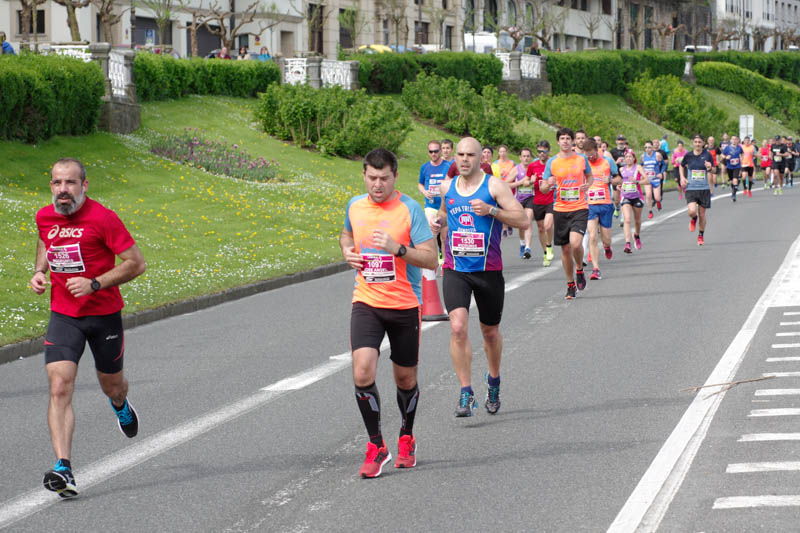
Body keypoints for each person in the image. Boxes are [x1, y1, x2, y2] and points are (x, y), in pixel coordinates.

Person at [31, 158, 146, 498]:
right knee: (59, 385)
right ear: (51, 186)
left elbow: (136, 263)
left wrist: (95, 284)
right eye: (57, 183)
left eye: (70, 182)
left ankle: (120, 405)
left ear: (84, 185)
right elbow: (46, 241)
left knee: (112, 386)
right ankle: (63, 468)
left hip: (103, 315)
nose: (63, 189)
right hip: (64, 315)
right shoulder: (44, 216)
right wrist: (39, 271)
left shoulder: (103, 218)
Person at [341, 148, 438, 478]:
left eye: (384, 178)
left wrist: (397, 248)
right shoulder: (355, 206)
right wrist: (347, 251)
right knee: (362, 372)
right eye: (372, 177)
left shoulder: (410, 209)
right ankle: (376, 445)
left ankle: (406, 436)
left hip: (404, 304)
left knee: (405, 378)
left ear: (395, 176)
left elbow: (431, 259)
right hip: (366, 300)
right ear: (364, 176)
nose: (377, 184)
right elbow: (346, 234)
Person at [431, 137, 528, 417]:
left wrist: (492, 211)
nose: (464, 159)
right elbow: (445, 212)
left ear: (480, 159)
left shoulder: (494, 186)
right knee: (457, 327)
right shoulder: (448, 187)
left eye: (470, 155)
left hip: (488, 270)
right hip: (456, 269)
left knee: (490, 332)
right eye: (460, 154)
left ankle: (494, 380)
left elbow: (522, 219)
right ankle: (466, 391)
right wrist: (439, 221)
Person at [539, 127, 592, 299]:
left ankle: (579, 269)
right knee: (566, 249)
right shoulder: (552, 162)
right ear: (558, 141)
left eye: (568, 138)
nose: (565, 141)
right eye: (562, 138)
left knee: (575, 244)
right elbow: (543, 187)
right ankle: (570, 284)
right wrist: (548, 183)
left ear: (573, 141)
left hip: (579, 207)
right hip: (560, 209)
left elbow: (590, 176)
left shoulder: (581, 159)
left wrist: (588, 185)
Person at [585, 138, 620, 280]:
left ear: (597, 150)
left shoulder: (607, 161)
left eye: (592, 154)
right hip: (590, 205)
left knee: (606, 239)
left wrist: (610, 180)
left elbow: (619, 179)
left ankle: (607, 247)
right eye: (588, 155)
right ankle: (596, 269)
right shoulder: (583, 163)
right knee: (592, 236)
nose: (590, 157)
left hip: (605, 204)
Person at [418, 140, 451, 263]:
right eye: (431, 151)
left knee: (444, 236)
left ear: (440, 151)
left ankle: (444, 261)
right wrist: (424, 192)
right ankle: (433, 260)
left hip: (444, 206)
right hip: (430, 205)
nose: (433, 154)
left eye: (436, 151)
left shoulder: (448, 166)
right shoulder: (425, 167)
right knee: (432, 232)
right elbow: (420, 184)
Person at [680, 134, 714, 246]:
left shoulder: (707, 155)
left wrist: (710, 167)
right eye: (696, 142)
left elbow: (714, 169)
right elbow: (681, 165)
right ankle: (694, 218)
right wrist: (682, 177)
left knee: (702, 214)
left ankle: (700, 235)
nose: (697, 144)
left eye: (699, 142)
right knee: (692, 211)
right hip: (691, 188)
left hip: (704, 189)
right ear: (693, 143)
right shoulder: (688, 155)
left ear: (703, 143)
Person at [527, 140, 555, 266]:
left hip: (551, 199)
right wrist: (530, 181)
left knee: (548, 226)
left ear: (548, 151)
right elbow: (526, 181)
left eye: (544, 151)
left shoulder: (553, 164)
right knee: (541, 228)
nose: (541, 154)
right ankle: (545, 253)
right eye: (539, 151)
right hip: (538, 200)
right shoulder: (533, 166)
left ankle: (549, 246)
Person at [507, 147, 535, 259]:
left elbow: (539, 181)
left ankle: (528, 247)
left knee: (528, 220)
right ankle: (522, 243)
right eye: (524, 156)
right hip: (519, 199)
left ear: (531, 157)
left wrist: (533, 182)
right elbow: (506, 184)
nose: (526, 158)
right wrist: (520, 182)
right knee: (521, 225)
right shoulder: (516, 169)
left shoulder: (534, 168)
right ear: (520, 157)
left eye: (528, 156)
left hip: (531, 198)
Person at [619, 150, 646, 254]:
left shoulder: (638, 167)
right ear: (624, 159)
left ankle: (636, 235)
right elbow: (619, 181)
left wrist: (637, 181)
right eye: (627, 157)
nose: (628, 158)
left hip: (637, 197)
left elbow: (647, 180)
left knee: (637, 220)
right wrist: (618, 186)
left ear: (634, 158)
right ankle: (627, 244)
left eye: (630, 157)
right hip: (625, 196)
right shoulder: (621, 169)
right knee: (627, 219)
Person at [641, 140, 663, 220]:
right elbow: (641, 165)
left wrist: (661, 173)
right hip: (647, 179)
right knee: (648, 195)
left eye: (649, 147)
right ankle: (650, 211)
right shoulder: (643, 156)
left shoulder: (657, 155)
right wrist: (641, 174)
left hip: (656, 178)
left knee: (657, 197)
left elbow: (664, 164)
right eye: (646, 147)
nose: (647, 149)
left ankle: (658, 201)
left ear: (652, 147)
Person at [720, 134, 743, 202]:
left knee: (735, 180)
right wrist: (725, 157)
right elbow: (722, 154)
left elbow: (742, 153)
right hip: (729, 166)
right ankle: (733, 189)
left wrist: (741, 158)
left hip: (737, 166)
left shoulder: (739, 147)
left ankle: (733, 195)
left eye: (735, 139)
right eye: (733, 139)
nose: (734, 140)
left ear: (737, 140)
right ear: (730, 140)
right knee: (731, 181)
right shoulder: (727, 148)